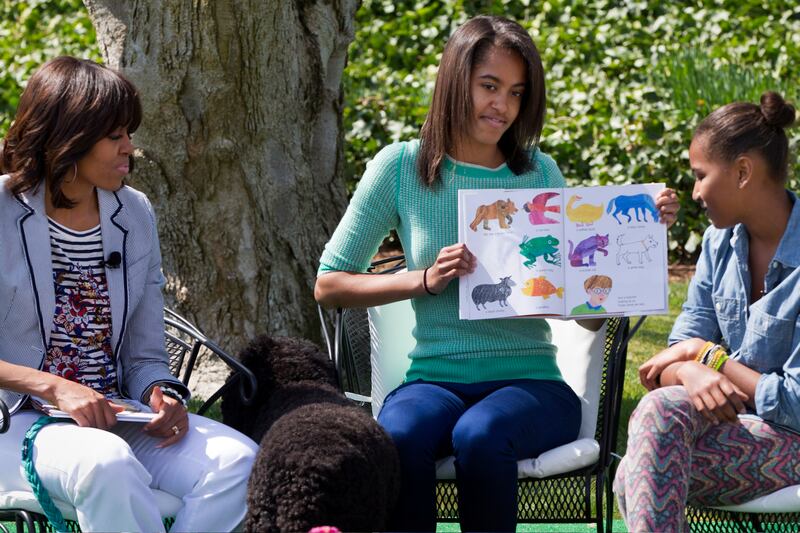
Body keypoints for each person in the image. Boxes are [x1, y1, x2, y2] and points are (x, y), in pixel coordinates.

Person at [315, 16, 678, 532]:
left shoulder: (539, 174)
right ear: (454, 80)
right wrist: (424, 280)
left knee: (480, 433)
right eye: (489, 86)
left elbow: (587, 320)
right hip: (433, 378)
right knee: (398, 435)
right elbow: (329, 284)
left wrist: (632, 249)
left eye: (515, 92)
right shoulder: (400, 168)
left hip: (533, 383)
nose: (502, 106)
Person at [0, 56, 257, 532]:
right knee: (107, 464)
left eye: (129, 134)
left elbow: (143, 352)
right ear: (68, 137)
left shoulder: (134, 213)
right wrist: (55, 387)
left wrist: (161, 392)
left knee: (239, 464)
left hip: (118, 416)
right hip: (13, 422)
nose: (130, 149)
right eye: (115, 136)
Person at [614, 91, 800, 532]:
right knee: (660, 417)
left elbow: (795, 404)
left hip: (793, 438)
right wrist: (693, 370)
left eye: (700, 176)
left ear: (742, 172)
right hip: (739, 428)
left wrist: (708, 357)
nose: (694, 192)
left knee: (637, 472)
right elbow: (672, 357)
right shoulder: (719, 245)